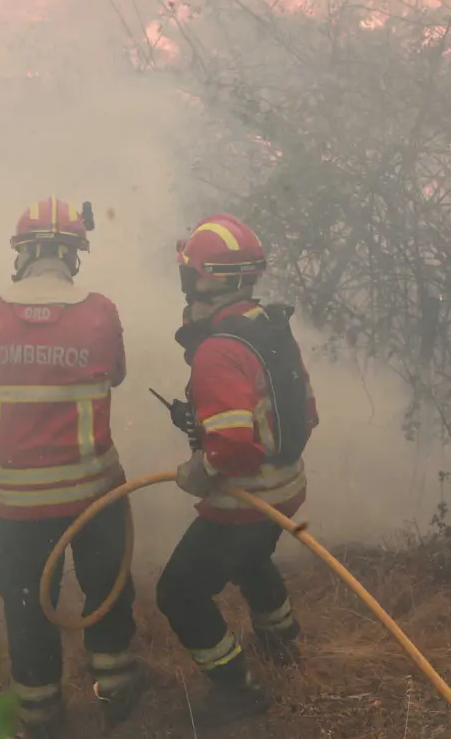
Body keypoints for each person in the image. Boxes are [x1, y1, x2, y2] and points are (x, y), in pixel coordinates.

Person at [0, 197, 144, 739]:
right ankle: (116, 691)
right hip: (93, 494)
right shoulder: (99, 312)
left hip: (17, 505)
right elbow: (117, 374)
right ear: (73, 255)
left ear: (23, 253)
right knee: (106, 588)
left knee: (28, 605)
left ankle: (40, 715)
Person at [155, 212, 319, 728]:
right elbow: (306, 411)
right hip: (285, 488)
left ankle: (237, 687)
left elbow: (232, 447)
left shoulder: (217, 349)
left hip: (245, 499)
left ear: (205, 278)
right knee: (251, 560)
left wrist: (199, 470)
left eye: (189, 272)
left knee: (178, 592)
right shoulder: (269, 327)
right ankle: (282, 645)